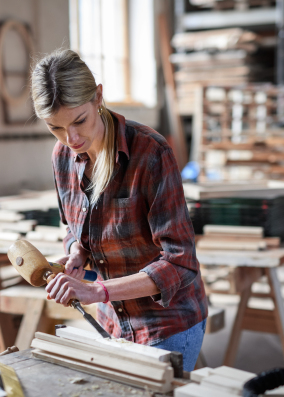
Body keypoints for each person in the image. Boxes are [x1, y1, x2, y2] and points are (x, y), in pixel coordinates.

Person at [30, 49, 208, 371]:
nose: (71, 138)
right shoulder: (62, 157)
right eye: (55, 127)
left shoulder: (150, 153)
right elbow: (71, 227)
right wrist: (76, 253)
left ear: (98, 96)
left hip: (165, 323)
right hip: (111, 322)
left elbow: (180, 262)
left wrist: (97, 290)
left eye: (79, 121)